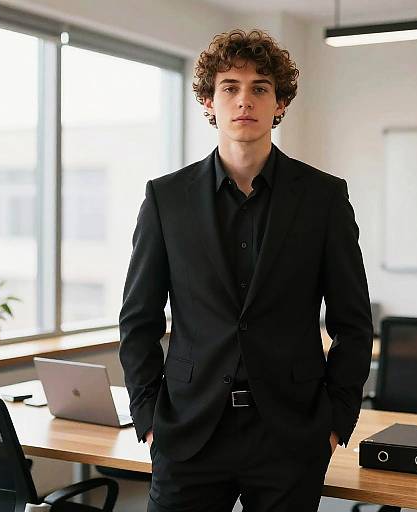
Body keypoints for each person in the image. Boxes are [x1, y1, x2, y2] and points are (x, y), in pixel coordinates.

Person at [119, 28, 373, 512]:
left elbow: (353, 322)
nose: (244, 100)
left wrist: (337, 419)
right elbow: (138, 319)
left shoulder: (323, 198)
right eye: (230, 87)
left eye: (260, 88)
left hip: (290, 434)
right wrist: (148, 415)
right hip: (189, 431)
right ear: (209, 103)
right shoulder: (165, 199)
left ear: (279, 104)